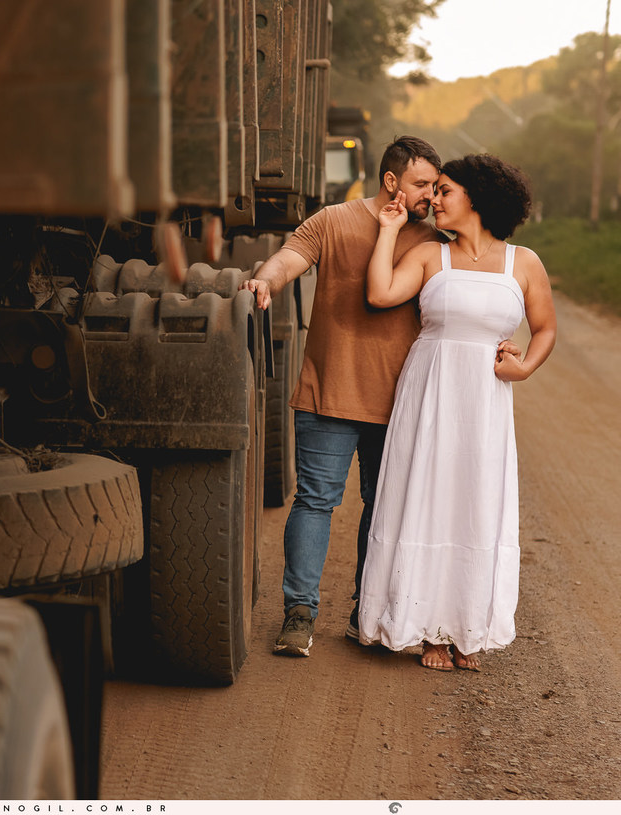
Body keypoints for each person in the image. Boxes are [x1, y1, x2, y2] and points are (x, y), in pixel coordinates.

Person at [243, 136, 449, 657]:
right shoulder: (332, 220)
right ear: (391, 182)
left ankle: (365, 611)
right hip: (327, 393)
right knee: (315, 501)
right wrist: (263, 282)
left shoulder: (433, 239)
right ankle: (299, 614)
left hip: (401, 403)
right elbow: (289, 259)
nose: (430, 194)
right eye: (422, 183)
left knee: (382, 510)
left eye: (433, 185)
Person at [357, 154, 556, 671]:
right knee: (428, 496)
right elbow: (380, 293)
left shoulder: (523, 263)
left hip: (485, 400)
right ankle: (430, 633)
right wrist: (389, 229)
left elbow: (546, 329)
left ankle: (468, 628)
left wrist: (526, 367)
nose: (434, 200)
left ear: (477, 198)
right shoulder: (429, 255)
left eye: (445, 191)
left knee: (475, 502)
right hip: (430, 392)